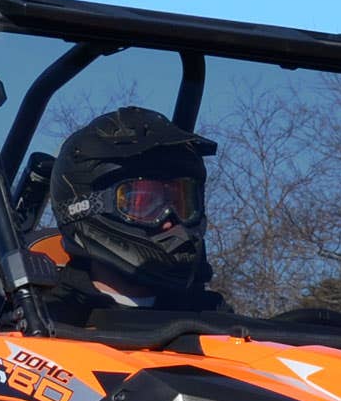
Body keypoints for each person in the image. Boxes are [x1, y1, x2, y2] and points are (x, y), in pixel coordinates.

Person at [42, 107, 223, 313]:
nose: (170, 220)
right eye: (144, 203)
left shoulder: (211, 316)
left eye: (182, 204)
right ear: (85, 207)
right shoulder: (45, 318)